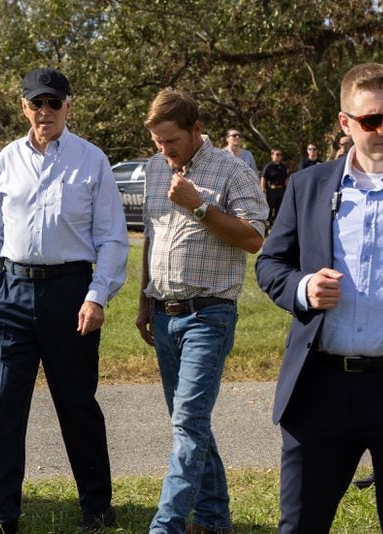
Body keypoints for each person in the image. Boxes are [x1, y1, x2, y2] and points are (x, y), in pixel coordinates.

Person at [0, 67, 129, 533]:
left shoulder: (92, 160)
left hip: (71, 295)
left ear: (68, 106)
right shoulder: (7, 158)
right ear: (23, 107)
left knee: (77, 402)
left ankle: (97, 509)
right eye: (36, 103)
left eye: (53, 103)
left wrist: (97, 295)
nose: (45, 112)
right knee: (6, 407)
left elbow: (112, 238)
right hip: (13, 293)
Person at [255, 62, 383, 533]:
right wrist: (303, 288)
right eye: (372, 120)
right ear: (345, 123)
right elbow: (269, 264)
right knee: (300, 525)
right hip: (321, 385)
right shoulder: (308, 186)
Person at [136, 88, 268, 534]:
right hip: (163, 311)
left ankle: (166, 526)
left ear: (196, 130)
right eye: (157, 142)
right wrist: (143, 301)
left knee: (188, 424)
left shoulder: (233, 170)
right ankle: (212, 520)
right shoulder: (155, 169)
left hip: (209, 314)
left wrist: (200, 204)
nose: (163, 151)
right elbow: (152, 239)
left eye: (171, 141)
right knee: (187, 423)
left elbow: (254, 238)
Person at [260, 148, 289, 232]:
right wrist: (263, 191)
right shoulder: (269, 166)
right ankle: (264, 230)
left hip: (281, 191)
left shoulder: (283, 166)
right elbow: (263, 178)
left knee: (279, 211)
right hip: (271, 190)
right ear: (272, 155)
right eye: (277, 154)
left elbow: (285, 180)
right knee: (268, 210)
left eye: (280, 155)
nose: (279, 156)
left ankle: (276, 230)